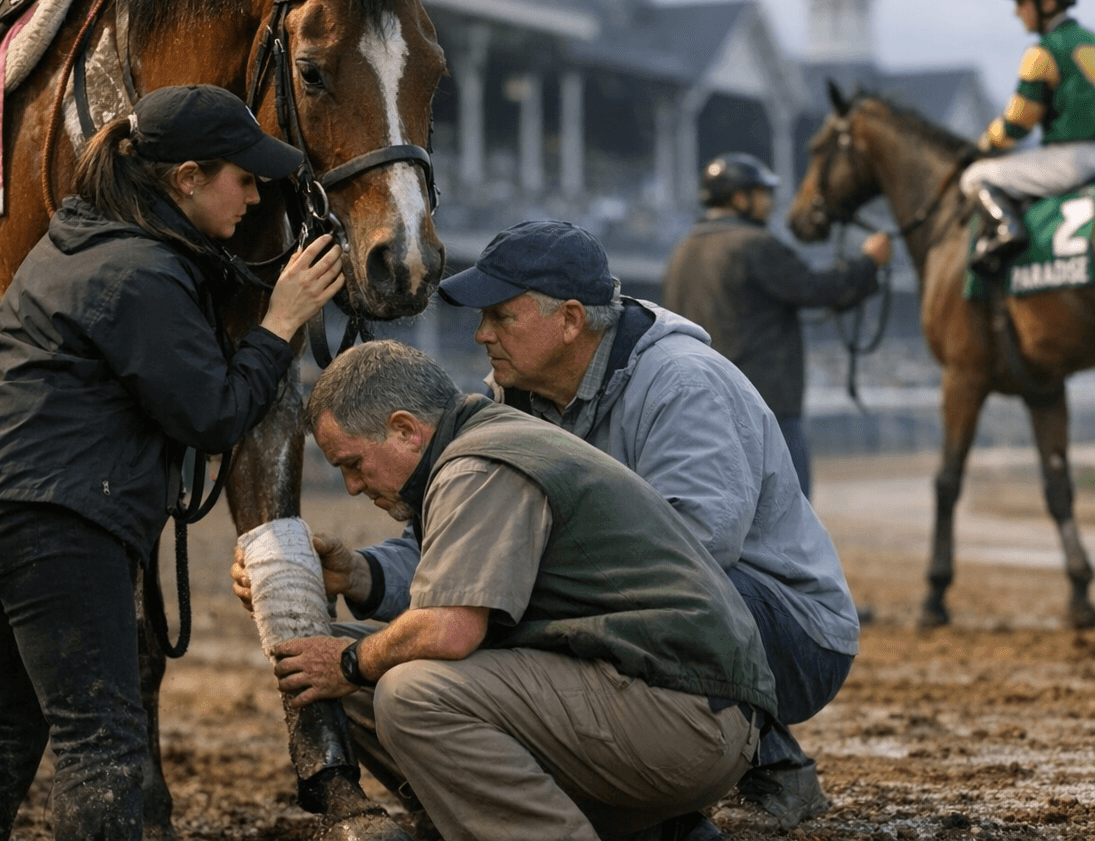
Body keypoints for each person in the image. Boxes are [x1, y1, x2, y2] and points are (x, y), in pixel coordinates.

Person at [0, 84, 344, 841]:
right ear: (186, 178)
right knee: (101, 741)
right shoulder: (144, 272)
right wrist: (278, 325)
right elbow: (212, 416)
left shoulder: (80, 239)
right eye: (242, 178)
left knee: (0, 732)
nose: (254, 196)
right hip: (53, 514)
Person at [428, 219, 855, 832]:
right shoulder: (514, 393)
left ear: (571, 320)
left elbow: (697, 545)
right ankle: (666, 802)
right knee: (518, 603)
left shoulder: (684, 380)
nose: (480, 334)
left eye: (500, 316)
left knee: (549, 607)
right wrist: (368, 574)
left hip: (791, 630)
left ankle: (761, 764)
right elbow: (470, 531)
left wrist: (528, 584)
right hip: (702, 612)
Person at [267, 340, 774, 841]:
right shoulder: (479, 446)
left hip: (688, 717)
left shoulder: (477, 466)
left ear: (404, 430)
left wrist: (350, 662)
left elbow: (451, 630)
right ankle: (640, 831)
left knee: (410, 693)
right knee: (314, 662)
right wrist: (354, 577)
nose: (353, 486)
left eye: (353, 464)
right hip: (662, 697)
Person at [662, 152, 893, 498]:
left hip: (700, 411)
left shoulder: (682, 252)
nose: (769, 203)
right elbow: (817, 289)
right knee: (790, 522)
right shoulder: (755, 245)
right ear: (741, 198)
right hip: (764, 409)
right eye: (762, 193)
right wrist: (869, 263)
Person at [966, 0, 1095, 273]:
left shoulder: (1042, 52)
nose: (1017, 12)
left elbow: (1018, 124)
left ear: (1047, 4)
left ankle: (1007, 232)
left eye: (1021, 2)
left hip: (1074, 161)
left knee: (975, 177)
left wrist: (984, 145)